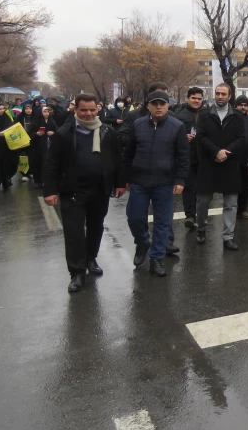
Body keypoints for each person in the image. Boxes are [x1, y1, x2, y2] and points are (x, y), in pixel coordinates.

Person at [43, 94, 126, 292]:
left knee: (96, 227)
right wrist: (50, 190)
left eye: (92, 110)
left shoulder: (107, 131)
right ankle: (77, 273)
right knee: (74, 233)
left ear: (97, 109)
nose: (88, 114)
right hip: (73, 191)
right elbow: (51, 164)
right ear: (76, 110)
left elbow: (117, 158)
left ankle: (91, 259)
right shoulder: (64, 133)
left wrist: (120, 183)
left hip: (100, 190)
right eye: (83, 110)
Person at [122, 90, 190, 277]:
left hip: (165, 183)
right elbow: (128, 154)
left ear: (168, 105)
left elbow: (183, 156)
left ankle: (156, 258)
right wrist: (126, 178)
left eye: (162, 103)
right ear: (148, 106)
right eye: (154, 104)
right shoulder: (138, 124)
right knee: (134, 217)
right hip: (139, 181)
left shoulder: (177, 126)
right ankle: (142, 242)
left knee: (162, 222)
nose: (158, 107)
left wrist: (180, 180)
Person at [194, 84, 246, 250]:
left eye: (223, 94)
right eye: (217, 93)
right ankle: (201, 228)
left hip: (230, 165)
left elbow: (242, 138)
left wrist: (226, 152)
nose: (220, 96)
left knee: (231, 204)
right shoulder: (204, 115)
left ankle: (228, 236)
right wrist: (216, 152)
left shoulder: (237, 116)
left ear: (229, 96)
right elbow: (200, 136)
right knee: (203, 201)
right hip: (209, 163)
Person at [174, 87, 207, 229]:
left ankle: (202, 215)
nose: (196, 101)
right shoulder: (179, 115)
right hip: (187, 156)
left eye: (199, 98)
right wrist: (182, 137)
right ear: (188, 98)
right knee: (188, 187)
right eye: (194, 98)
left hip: (205, 156)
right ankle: (190, 216)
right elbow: (173, 134)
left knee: (203, 188)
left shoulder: (207, 114)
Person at [234, 95, 248, 219]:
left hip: (246, 158)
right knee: (232, 186)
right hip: (232, 158)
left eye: (245, 105)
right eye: (240, 105)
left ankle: (242, 209)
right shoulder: (229, 119)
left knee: (245, 186)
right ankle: (231, 209)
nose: (243, 107)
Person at [31, 106, 59, 188]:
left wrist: (53, 133)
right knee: (38, 163)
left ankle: (45, 181)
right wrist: (36, 134)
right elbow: (30, 133)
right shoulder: (36, 122)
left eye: (47, 112)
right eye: (44, 112)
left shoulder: (52, 121)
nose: (46, 113)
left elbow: (57, 130)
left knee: (46, 163)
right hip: (37, 146)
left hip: (48, 145)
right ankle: (38, 181)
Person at [16, 104, 35, 182]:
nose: (28, 110)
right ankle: (24, 173)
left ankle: (31, 171)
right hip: (22, 140)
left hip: (33, 140)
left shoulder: (35, 117)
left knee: (32, 157)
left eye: (30, 108)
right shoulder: (20, 117)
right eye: (26, 109)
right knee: (23, 157)